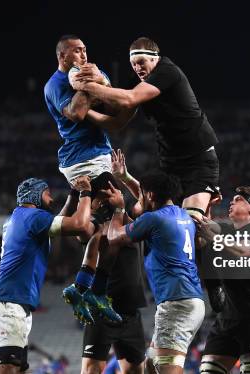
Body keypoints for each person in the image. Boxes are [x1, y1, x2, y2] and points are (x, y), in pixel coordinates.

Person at [73, 37, 220, 220]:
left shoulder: (168, 71)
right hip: (170, 163)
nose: (137, 68)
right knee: (140, 213)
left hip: (198, 160)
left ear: (154, 58)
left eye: (141, 62)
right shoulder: (138, 81)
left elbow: (129, 98)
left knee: (191, 224)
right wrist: (83, 112)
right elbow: (117, 122)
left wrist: (88, 85)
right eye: (133, 64)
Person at [0, 176, 93, 373]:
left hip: (11, 302)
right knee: (8, 369)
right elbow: (80, 225)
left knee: (18, 369)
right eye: (48, 194)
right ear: (35, 194)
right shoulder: (33, 217)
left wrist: (74, 195)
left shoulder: (20, 217)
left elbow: (58, 221)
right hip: (9, 303)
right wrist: (86, 192)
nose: (51, 199)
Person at [105, 171, 205, 374]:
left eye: (142, 194)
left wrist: (118, 209)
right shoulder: (183, 214)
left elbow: (114, 236)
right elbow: (147, 202)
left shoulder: (153, 219)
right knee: (150, 366)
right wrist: (125, 178)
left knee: (166, 368)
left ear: (150, 195)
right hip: (191, 299)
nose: (139, 198)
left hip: (175, 303)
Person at [78, 153, 147, 374]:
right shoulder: (91, 226)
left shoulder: (131, 221)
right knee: (91, 370)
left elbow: (149, 200)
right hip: (101, 310)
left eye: (112, 190)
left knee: (136, 371)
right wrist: (84, 194)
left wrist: (125, 177)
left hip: (130, 311)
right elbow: (105, 237)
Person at [194, 187, 250, 374]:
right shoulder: (226, 230)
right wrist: (206, 205)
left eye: (238, 199)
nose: (231, 201)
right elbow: (202, 225)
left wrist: (213, 237)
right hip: (226, 318)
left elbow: (245, 251)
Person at [44, 34, 131, 184]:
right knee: (113, 202)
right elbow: (76, 114)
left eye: (84, 50)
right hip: (80, 156)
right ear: (63, 56)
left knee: (113, 204)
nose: (84, 55)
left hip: (102, 150)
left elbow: (115, 110)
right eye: (77, 51)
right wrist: (89, 84)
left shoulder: (97, 74)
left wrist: (103, 82)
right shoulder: (54, 84)